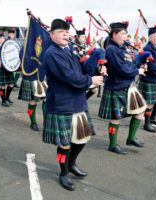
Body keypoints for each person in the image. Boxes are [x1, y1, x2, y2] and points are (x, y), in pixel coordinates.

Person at [43, 19, 103, 191]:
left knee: (82, 137)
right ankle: (63, 172)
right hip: (61, 103)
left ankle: (71, 163)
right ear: (52, 35)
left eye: (67, 32)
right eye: (61, 32)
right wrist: (90, 80)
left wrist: (97, 60)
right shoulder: (52, 54)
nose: (65, 35)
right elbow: (68, 76)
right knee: (64, 143)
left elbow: (82, 69)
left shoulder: (69, 50)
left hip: (77, 101)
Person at [98, 22, 146, 155]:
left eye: (125, 33)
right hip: (116, 87)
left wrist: (141, 63)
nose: (125, 36)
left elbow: (130, 63)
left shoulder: (122, 48)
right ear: (114, 34)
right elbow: (122, 69)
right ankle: (112, 145)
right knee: (116, 118)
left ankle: (131, 138)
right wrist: (137, 71)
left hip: (127, 86)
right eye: (122, 34)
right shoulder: (112, 50)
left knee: (140, 112)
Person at [0, 32, 15, 107]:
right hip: (1, 68)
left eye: (3, 38)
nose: (3, 39)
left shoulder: (7, 46)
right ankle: (3, 101)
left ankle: (7, 97)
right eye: (1, 38)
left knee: (11, 84)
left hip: (8, 68)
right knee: (3, 86)